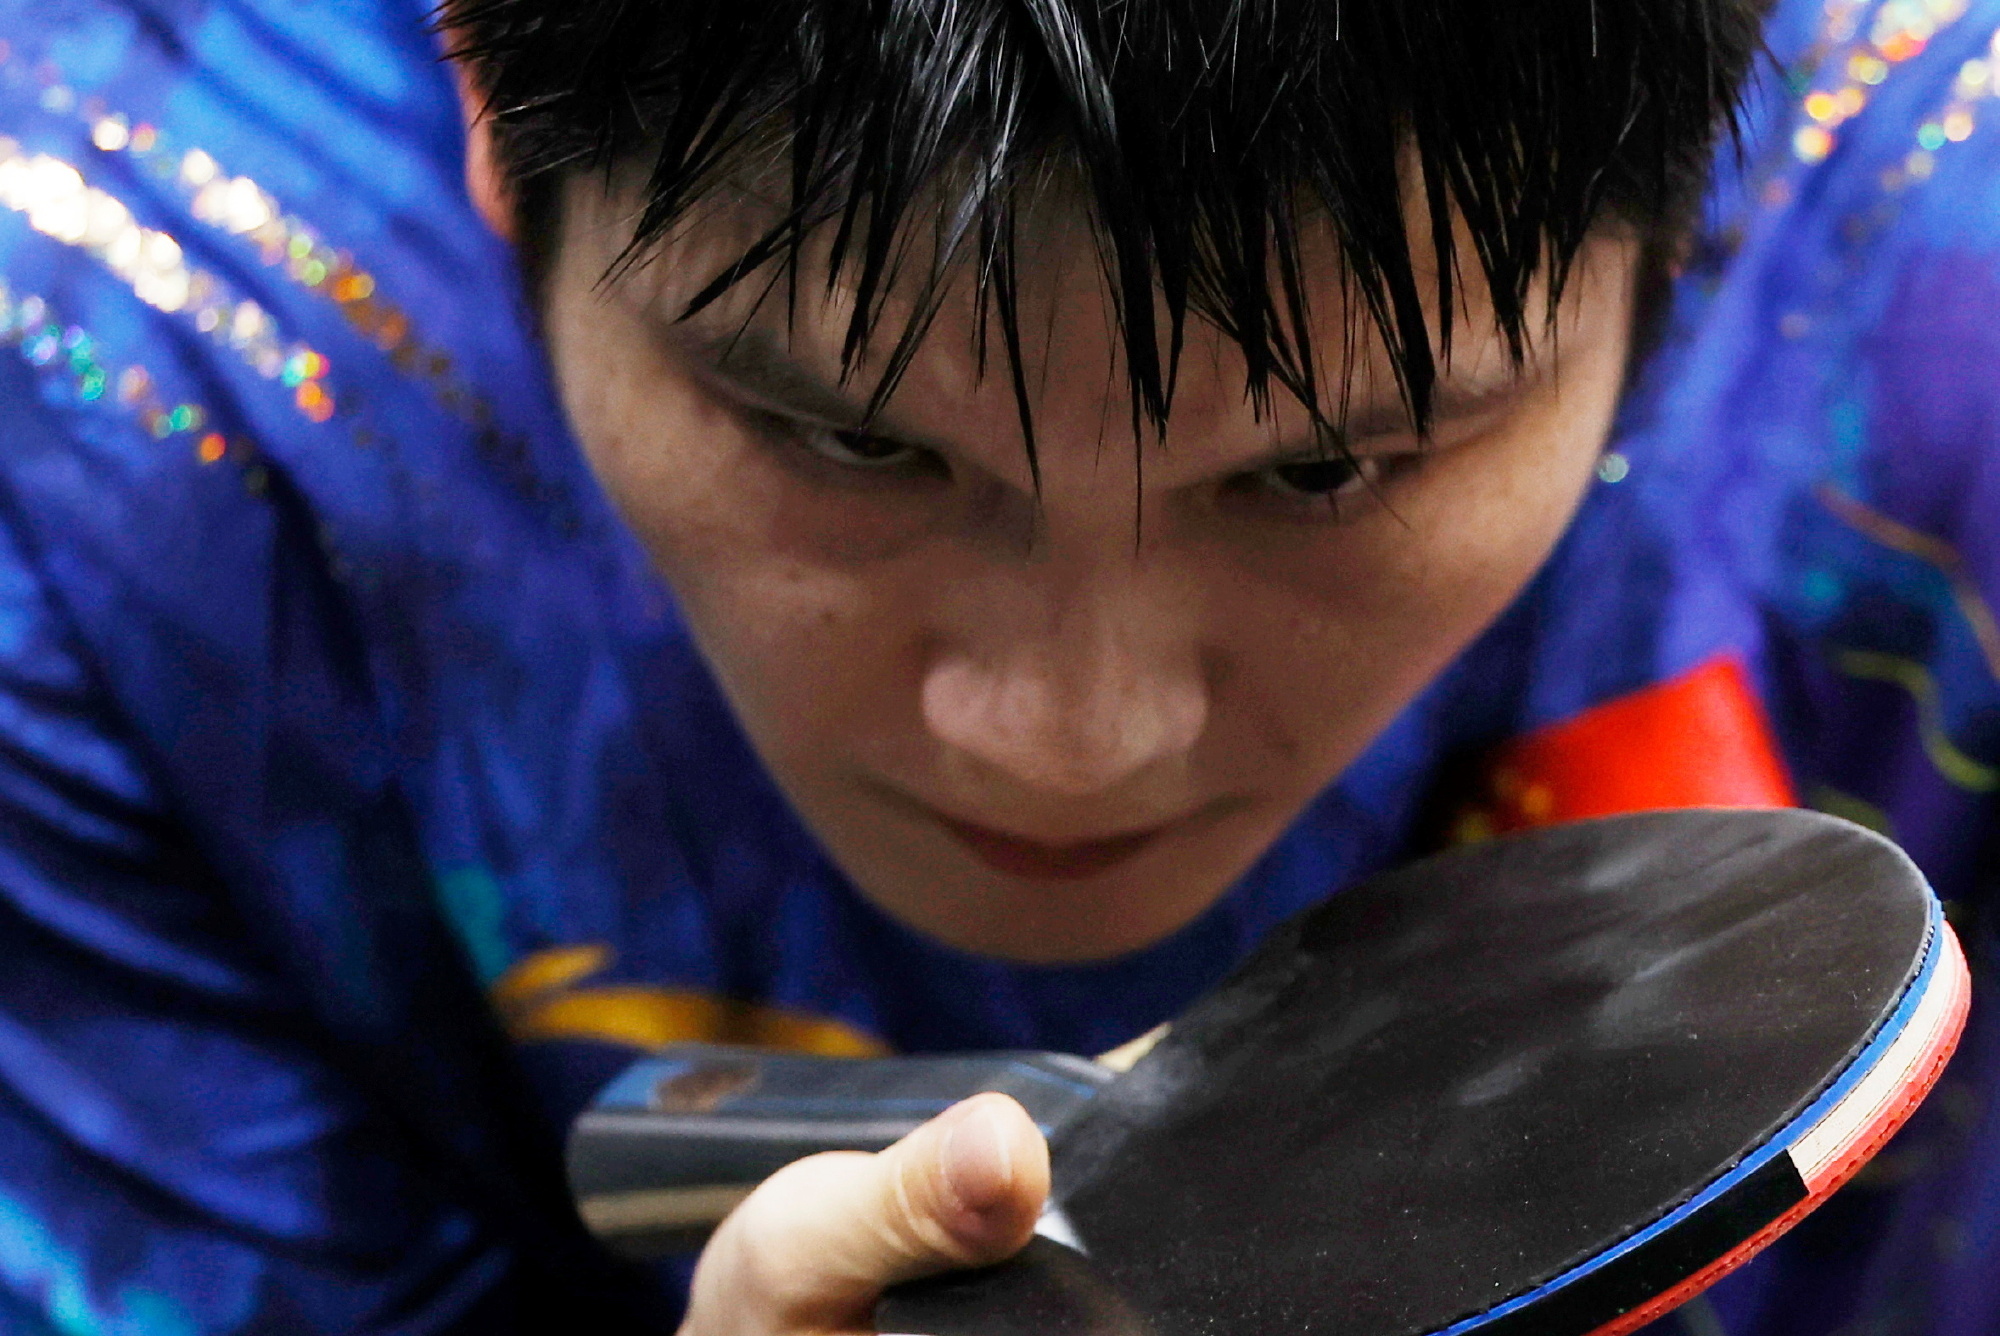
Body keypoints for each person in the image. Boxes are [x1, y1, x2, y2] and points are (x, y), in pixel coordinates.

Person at [0, 0, 1992, 1331]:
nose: (1071, 740)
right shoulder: (100, 419)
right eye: (847, 440)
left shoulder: (1955, 341)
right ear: (496, 137)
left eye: (1323, 468)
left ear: (1679, 219)